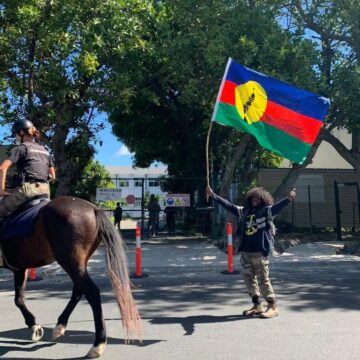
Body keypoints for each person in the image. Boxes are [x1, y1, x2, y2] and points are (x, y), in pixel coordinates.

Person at [206, 184, 296, 319]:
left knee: (263, 279)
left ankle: (272, 306)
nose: (254, 200)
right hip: (246, 252)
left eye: (257, 198)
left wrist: (288, 199)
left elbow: (277, 207)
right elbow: (229, 206)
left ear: (263, 199)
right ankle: (257, 305)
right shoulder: (245, 211)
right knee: (249, 280)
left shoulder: (266, 211)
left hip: (259, 251)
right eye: (252, 197)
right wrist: (214, 196)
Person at [0, 119, 56, 220]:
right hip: (45, 192)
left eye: (16, 134)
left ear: (21, 133)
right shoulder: (45, 151)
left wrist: (2, 190)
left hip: (27, 191)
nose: (16, 137)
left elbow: (2, 168)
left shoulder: (21, 148)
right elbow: (53, 176)